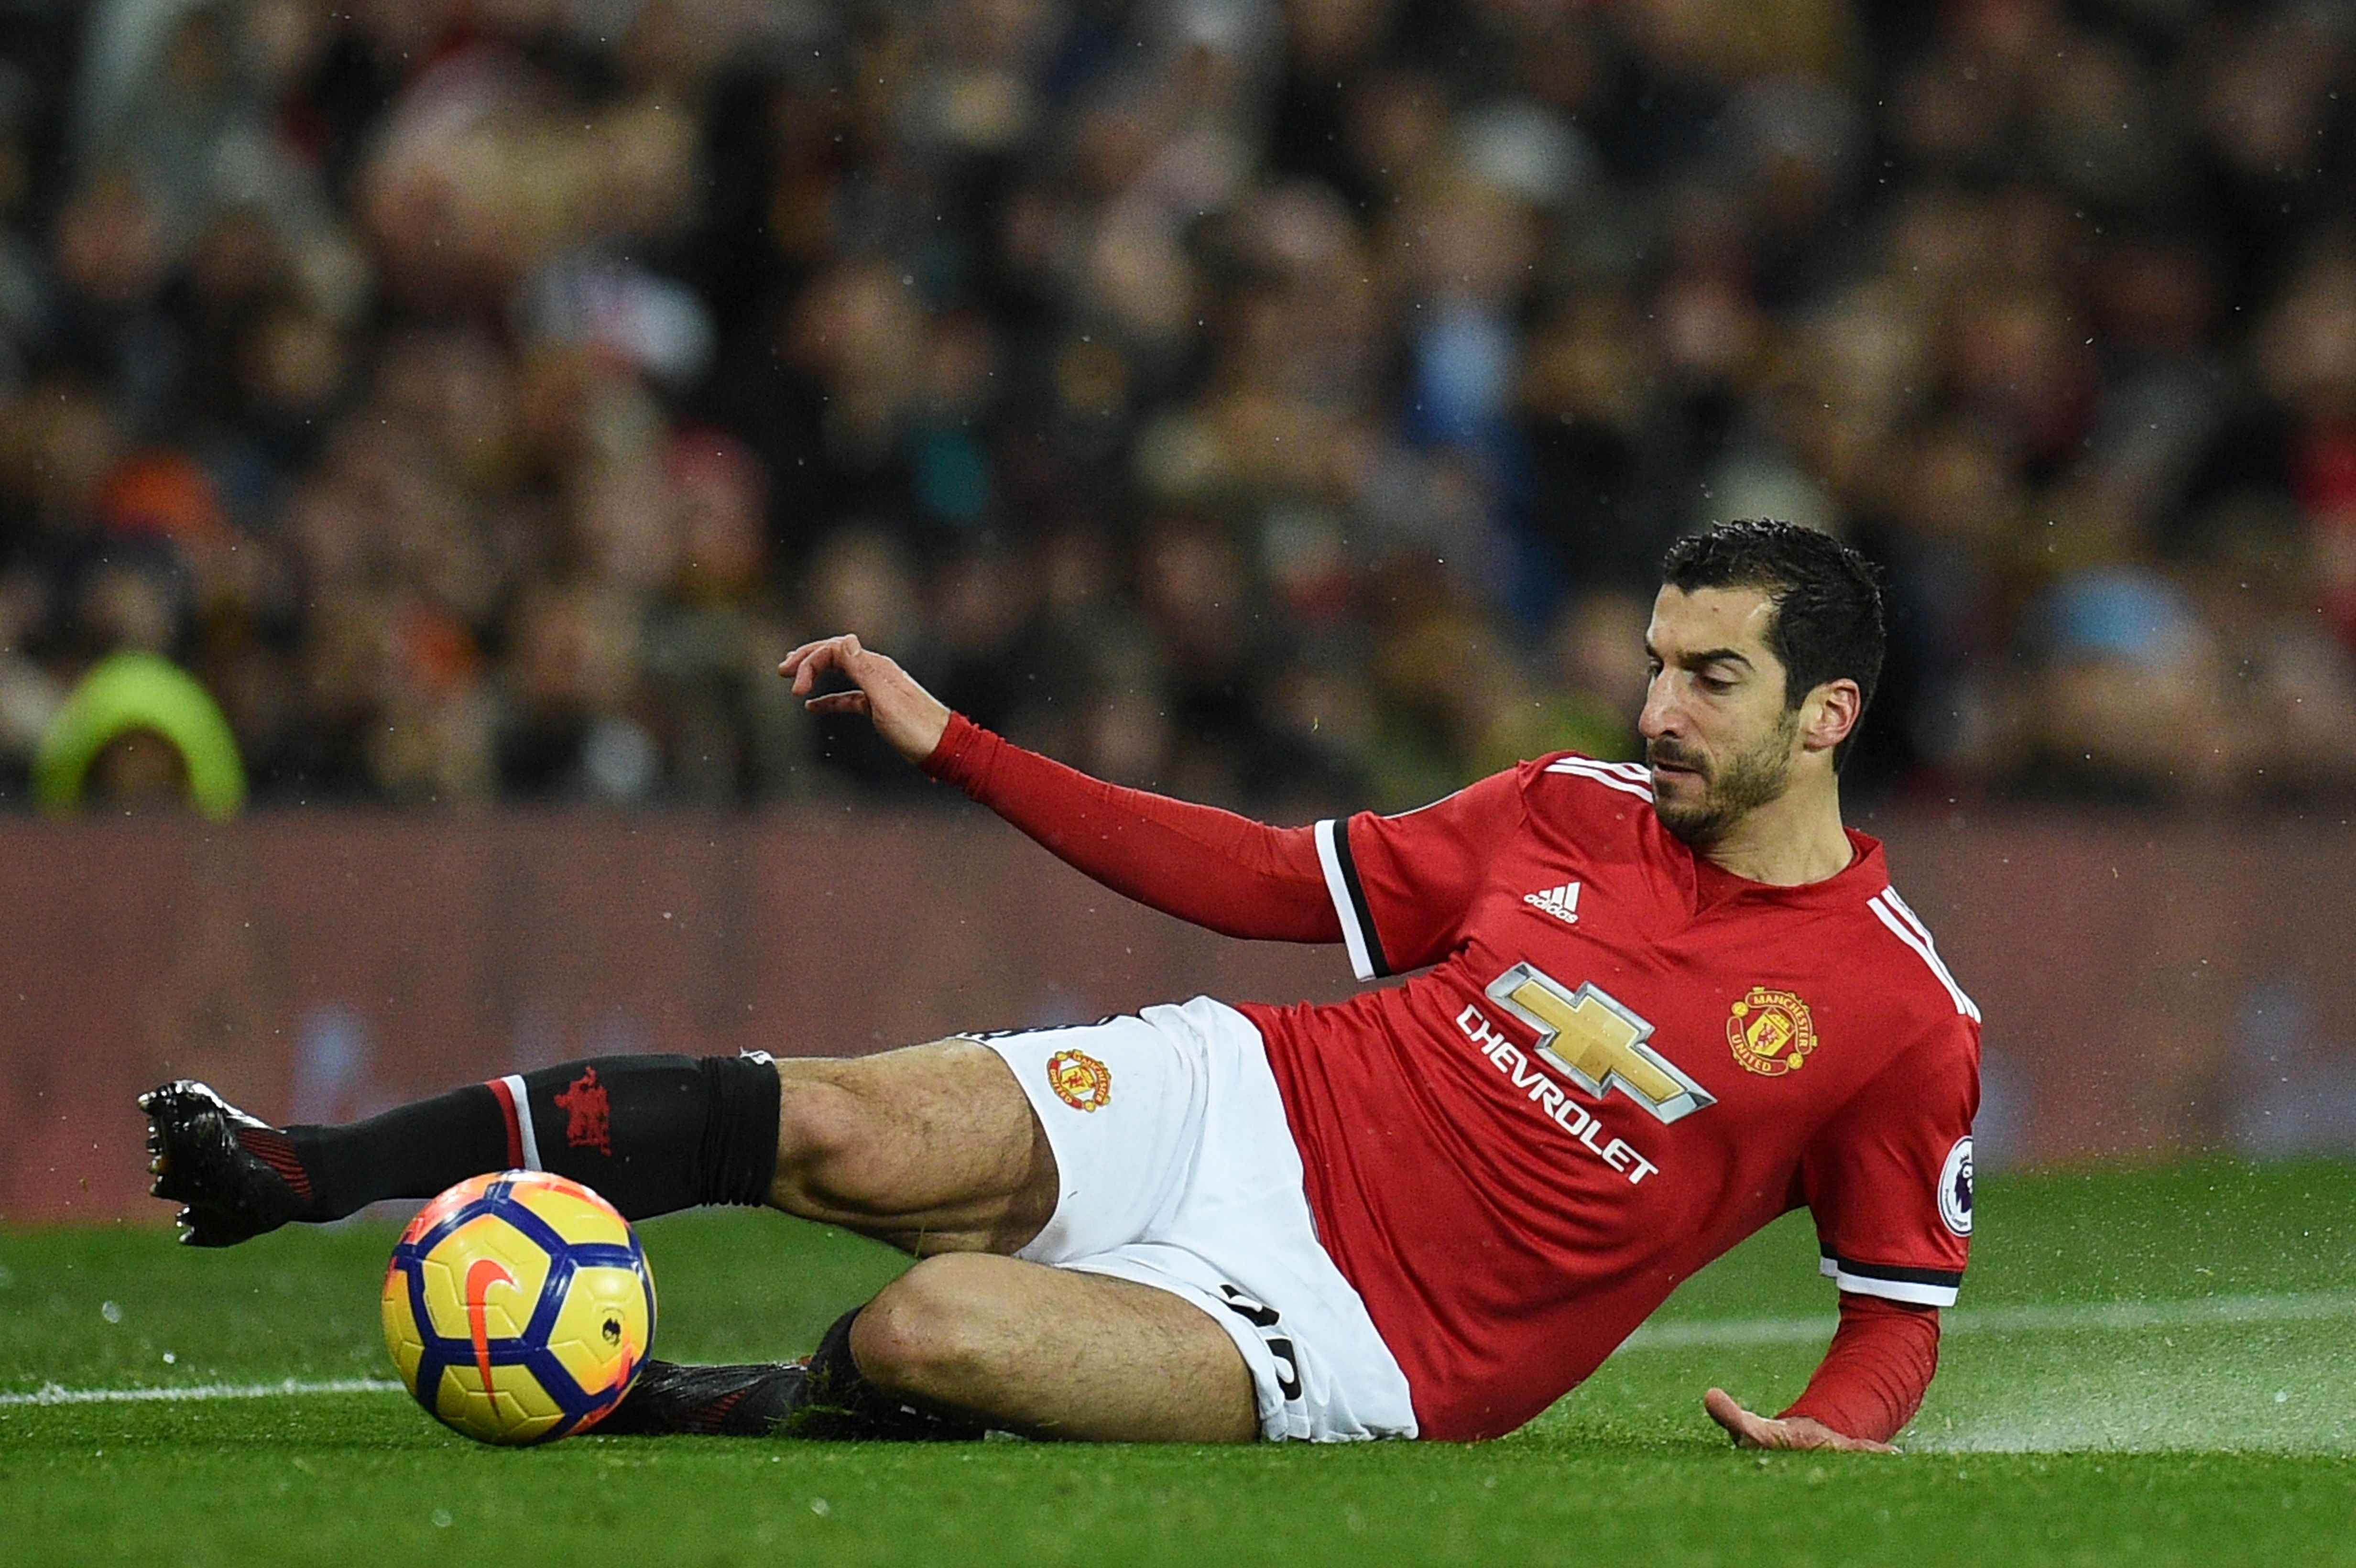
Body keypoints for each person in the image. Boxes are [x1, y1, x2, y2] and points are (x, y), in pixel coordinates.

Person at [141, 520, 1979, 1450]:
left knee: (942, 1328)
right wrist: (961, 746)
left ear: (1827, 716)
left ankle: (645, 1398)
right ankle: (304, 1168)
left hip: (1362, 1345)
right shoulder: (1562, 803)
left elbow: (1897, 1303)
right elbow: (1265, 879)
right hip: (1248, 1096)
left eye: (1711, 681)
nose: (1656, 710)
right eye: (1657, 663)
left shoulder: (1901, 1018)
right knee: (837, 1121)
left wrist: (1831, 1434)